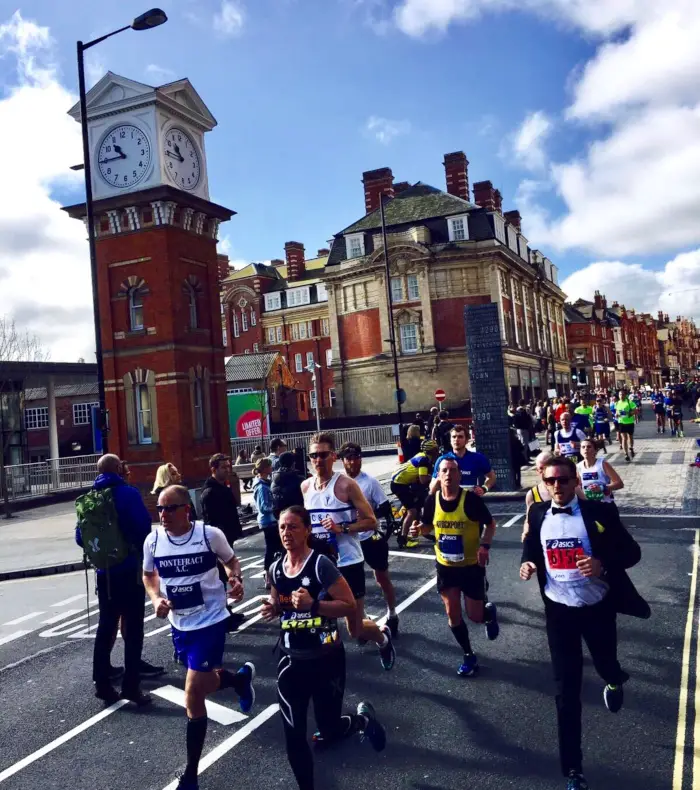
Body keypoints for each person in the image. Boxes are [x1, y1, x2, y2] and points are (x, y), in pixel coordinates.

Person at [520, 455, 649, 790]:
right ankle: (573, 770)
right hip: (559, 612)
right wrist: (528, 563)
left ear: (575, 481)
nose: (557, 487)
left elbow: (632, 552)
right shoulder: (537, 512)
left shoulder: (600, 513)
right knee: (566, 692)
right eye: (550, 481)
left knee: (607, 664)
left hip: (597, 608)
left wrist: (602, 564)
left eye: (563, 480)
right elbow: (532, 545)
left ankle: (614, 680)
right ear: (544, 483)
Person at [261, 506, 386, 790]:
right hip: (290, 662)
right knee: (294, 736)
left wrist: (314, 605)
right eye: (282, 527)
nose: (286, 532)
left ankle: (362, 721)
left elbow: (349, 605)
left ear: (307, 530)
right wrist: (273, 608)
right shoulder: (276, 568)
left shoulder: (320, 565)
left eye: (293, 526)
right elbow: (280, 602)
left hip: (326, 659)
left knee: (328, 728)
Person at [143, 485, 255, 790]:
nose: (163, 515)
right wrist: (156, 598)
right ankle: (238, 680)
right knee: (204, 683)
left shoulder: (209, 535)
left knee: (193, 693)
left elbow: (231, 561)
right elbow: (149, 575)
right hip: (180, 625)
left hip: (211, 620)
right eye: (160, 509)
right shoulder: (153, 541)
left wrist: (235, 578)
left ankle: (191, 774)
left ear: (186, 509)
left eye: (169, 508)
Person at [302, 432, 396, 670]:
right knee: (317, 617)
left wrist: (341, 528)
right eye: (313, 456)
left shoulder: (346, 485)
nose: (318, 460)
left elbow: (371, 521)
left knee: (355, 629)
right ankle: (326, 667)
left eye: (323, 455)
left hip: (348, 562)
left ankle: (383, 638)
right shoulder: (306, 487)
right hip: (321, 564)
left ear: (333, 456)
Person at [75, 453, 161, 706]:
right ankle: (131, 686)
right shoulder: (128, 493)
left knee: (106, 626)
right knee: (133, 630)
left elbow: (80, 538)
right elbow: (144, 527)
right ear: (117, 468)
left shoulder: (90, 498)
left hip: (105, 574)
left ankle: (102, 683)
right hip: (129, 569)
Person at [410, 457, 499, 676]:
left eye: (452, 470)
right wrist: (417, 530)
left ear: (459, 475)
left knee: (475, 616)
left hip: (470, 566)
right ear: (438, 476)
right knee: (453, 614)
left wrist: (484, 546)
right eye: (444, 471)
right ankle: (468, 655)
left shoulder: (471, 500)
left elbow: (490, 524)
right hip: (446, 566)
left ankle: (488, 613)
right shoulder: (432, 500)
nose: (448, 474)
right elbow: (427, 526)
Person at [339, 441, 399, 637]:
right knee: (351, 586)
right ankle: (363, 620)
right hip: (348, 541)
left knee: (382, 577)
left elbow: (385, 507)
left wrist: (370, 518)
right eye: (349, 459)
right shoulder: (338, 482)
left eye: (356, 458)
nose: (353, 462)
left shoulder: (370, 482)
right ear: (342, 461)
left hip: (369, 536)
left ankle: (392, 613)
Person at [200, 453, 244, 629]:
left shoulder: (222, 487)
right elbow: (211, 521)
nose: (227, 470)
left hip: (226, 538)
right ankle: (222, 616)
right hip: (218, 542)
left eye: (228, 466)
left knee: (224, 577)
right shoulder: (210, 492)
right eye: (224, 467)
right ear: (213, 469)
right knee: (219, 578)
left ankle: (226, 611)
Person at [390, 439, 440, 549]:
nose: (438, 452)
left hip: (401, 482)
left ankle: (418, 528)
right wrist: (436, 478)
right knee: (412, 511)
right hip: (399, 485)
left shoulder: (422, 455)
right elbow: (423, 479)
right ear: (432, 451)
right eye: (436, 450)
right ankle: (403, 539)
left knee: (418, 504)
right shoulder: (424, 460)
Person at [430, 424, 497, 494]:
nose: (456, 439)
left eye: (460, 437)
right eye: (454, 437)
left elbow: (492, 477)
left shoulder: (478, 458)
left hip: (470, 498)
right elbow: (432, 489)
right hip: (448, 498)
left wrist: (484, 488)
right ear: (450, 440)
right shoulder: (442, 460)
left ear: (467, 440)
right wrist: (439, 478)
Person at [252, 457, 283, 587]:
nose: (272, 468)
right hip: (268, 521)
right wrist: (277, 507)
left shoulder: (266, 482)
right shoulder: (261, 487)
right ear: (265, 468)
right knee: (271, 549)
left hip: (271, 520)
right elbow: (263, 507)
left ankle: (273, 573)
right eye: (269, 466)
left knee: (276, 548)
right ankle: (268, 575)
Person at [577, 438, 624, 505]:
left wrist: (601, 488)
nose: (586, 449)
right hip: (588, 504)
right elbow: (577, 486)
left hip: (605, 504)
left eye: (589, 447)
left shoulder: (602, 464)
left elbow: (619, 484)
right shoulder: (578, 466)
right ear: (580, 450)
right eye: (583, 447)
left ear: (595, 450)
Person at [271, 451, 305, 517]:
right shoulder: (298, 479)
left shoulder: (274, 478)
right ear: (293, 463)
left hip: (279, 515)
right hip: (295, 515)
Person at [615, 390, 638, 462]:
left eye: (622, 394)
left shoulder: (629, 402)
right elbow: (617, 412)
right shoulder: (617, 403)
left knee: (630, 437)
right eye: (620, 394)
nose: (621, 396)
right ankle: (626, 454)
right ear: (618, 395)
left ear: (625, 395)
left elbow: (636, 410)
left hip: (630, 422)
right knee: (624, 438)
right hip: (621, 422)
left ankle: (631, 448)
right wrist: (616, 415)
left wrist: (629, 413)